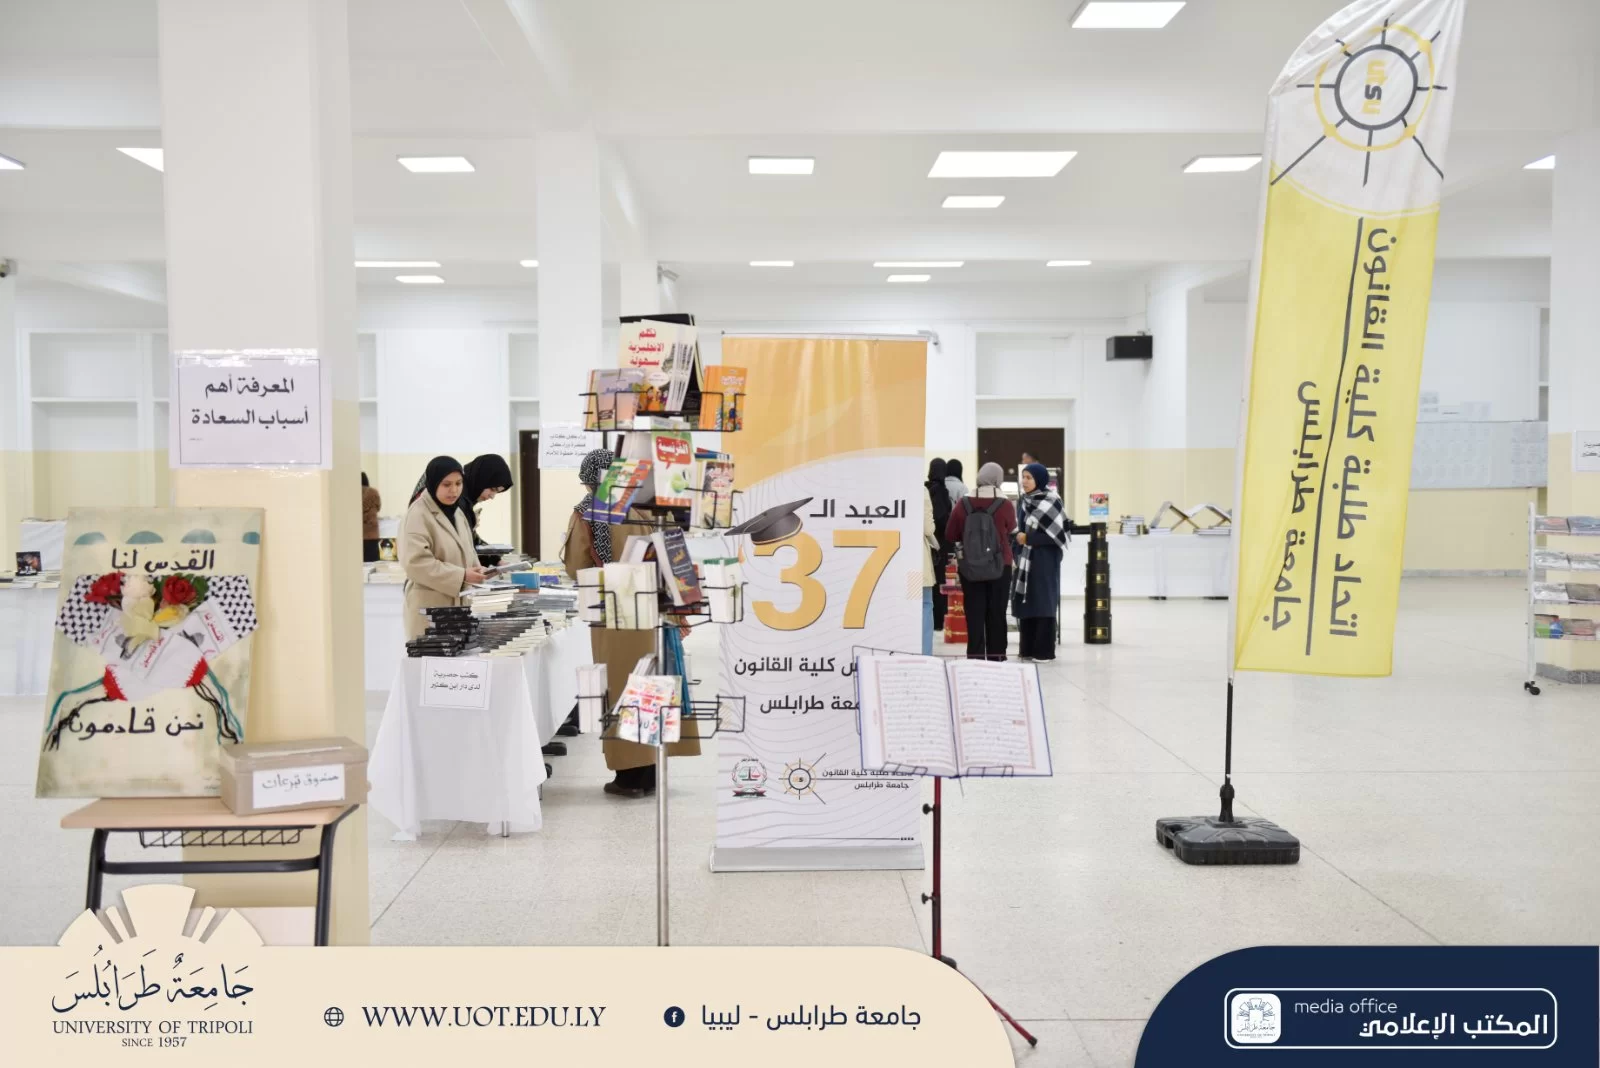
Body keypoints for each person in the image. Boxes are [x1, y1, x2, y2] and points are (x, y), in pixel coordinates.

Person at [562, 448, 702, 798]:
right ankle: (651, 771)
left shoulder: (589, 510)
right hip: (656, 612)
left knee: (619, 688)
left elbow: (577, 566)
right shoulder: (652, 504)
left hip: (614, 613)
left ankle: (628, 777)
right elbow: (678, 560)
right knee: (651, 684)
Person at [400, 456, 486, 640]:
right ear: (433, 483)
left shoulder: (458, 513)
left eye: (458, 483)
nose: (454, 490)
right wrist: (462, 575)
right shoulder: (418, 514)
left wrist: (479, 571)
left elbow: (468, 550)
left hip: (459, 609)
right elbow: (416, 564)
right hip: (430, 609)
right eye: (446, 484)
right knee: (432, 658)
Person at [945, 462, 1016, 661]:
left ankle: (975, 659)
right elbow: (1011, 529)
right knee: (997, 614)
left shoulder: (963, 503)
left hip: (970, 567)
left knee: (974, 614)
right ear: (998, 479)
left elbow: (950, 534)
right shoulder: (1005, 504)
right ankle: (997, 658)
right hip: (1000, 566)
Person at [1013, 462, 1069, 662]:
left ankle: (1044, 651)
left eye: (1029, 478)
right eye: (1023, 477)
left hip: (1045, 560)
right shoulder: (1024, 501)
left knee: (1043, 602)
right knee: (1027, 601)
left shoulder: (1052, 501)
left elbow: (1058, 537)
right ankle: (1027, 649)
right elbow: (1019, 530)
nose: (1025, 481)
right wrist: (1017, 548)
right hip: (1026, 560)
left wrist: (1029, 539)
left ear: (1040, 480)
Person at [926, 459, 953, 631]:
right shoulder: (942, 491)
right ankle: (937, 621)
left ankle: (928, 619)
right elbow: (942, 519)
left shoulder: (925, 488)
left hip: (924, 543)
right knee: (938, 582)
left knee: (927, 582)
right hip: (939, 544)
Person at [361, 472, 381, 563]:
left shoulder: (353, 493)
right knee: (372, 562)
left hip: (360, 532)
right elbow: (378, 507)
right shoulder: (373, 492)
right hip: (372, 532)